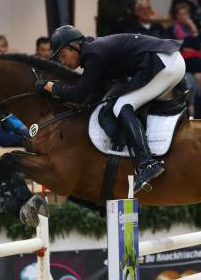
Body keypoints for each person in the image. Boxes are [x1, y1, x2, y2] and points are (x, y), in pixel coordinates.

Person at [37, 25, 185, 193]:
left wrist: (50, 87)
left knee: (122, 106)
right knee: (122, 101)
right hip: (169, 61)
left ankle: (146, 163)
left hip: (163, 63)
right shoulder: (93, 51)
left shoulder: (94, 54)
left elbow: (79, 94)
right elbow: (97, 88)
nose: (63, 62)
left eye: (63, 55)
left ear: (75, 46)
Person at [167, 2, 201, 73]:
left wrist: (193, 27)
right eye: (179, 14)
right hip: (179, 58)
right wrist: (184, 48)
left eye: (185, 14)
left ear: (189, 15)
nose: (182, 17)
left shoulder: (193, 29)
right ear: (176, 16)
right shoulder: (172, 29)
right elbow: (174, 46)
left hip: (193, 57)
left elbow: (198, 47)